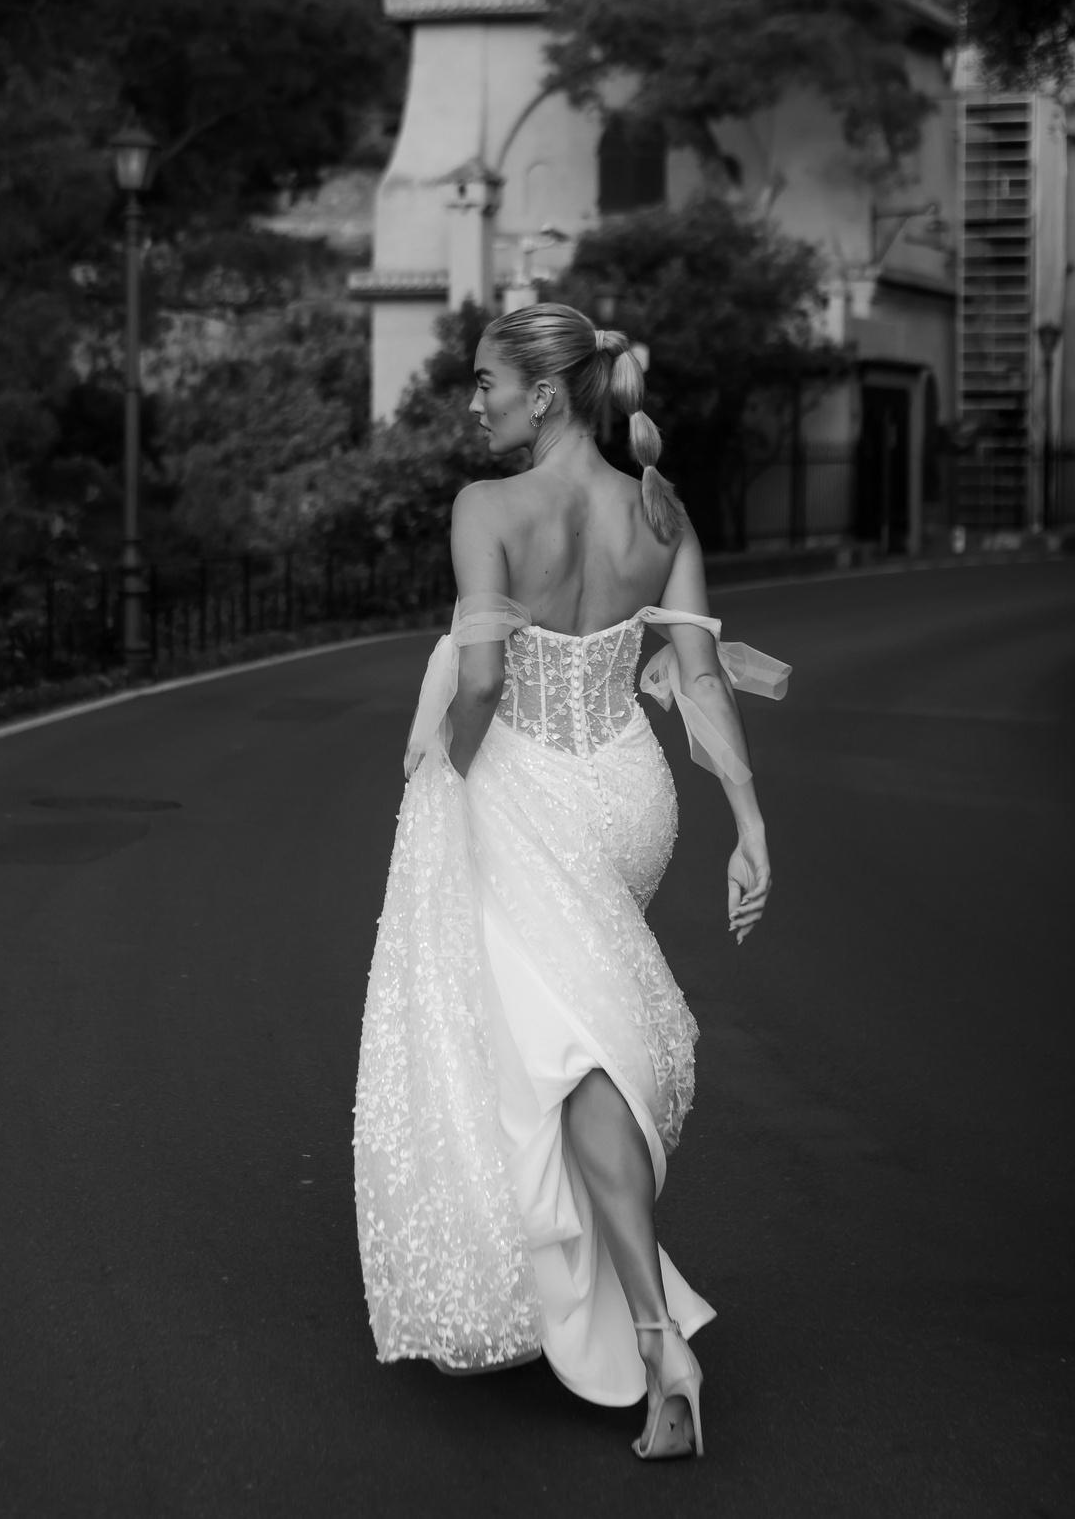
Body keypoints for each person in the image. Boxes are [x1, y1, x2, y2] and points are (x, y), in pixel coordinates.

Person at [353, 301, 788, 1461]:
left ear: (542, 392)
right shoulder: (658, 511)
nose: (473, 403)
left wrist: (448, 779)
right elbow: (700, 679)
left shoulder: (484, 508)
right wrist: (746, 821)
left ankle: (651, 1338)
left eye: (483, 381)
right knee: (569, 1030)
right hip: (630, 796)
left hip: (526, 784)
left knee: (566, 1044)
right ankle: (616, 1310)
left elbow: (481, 680)